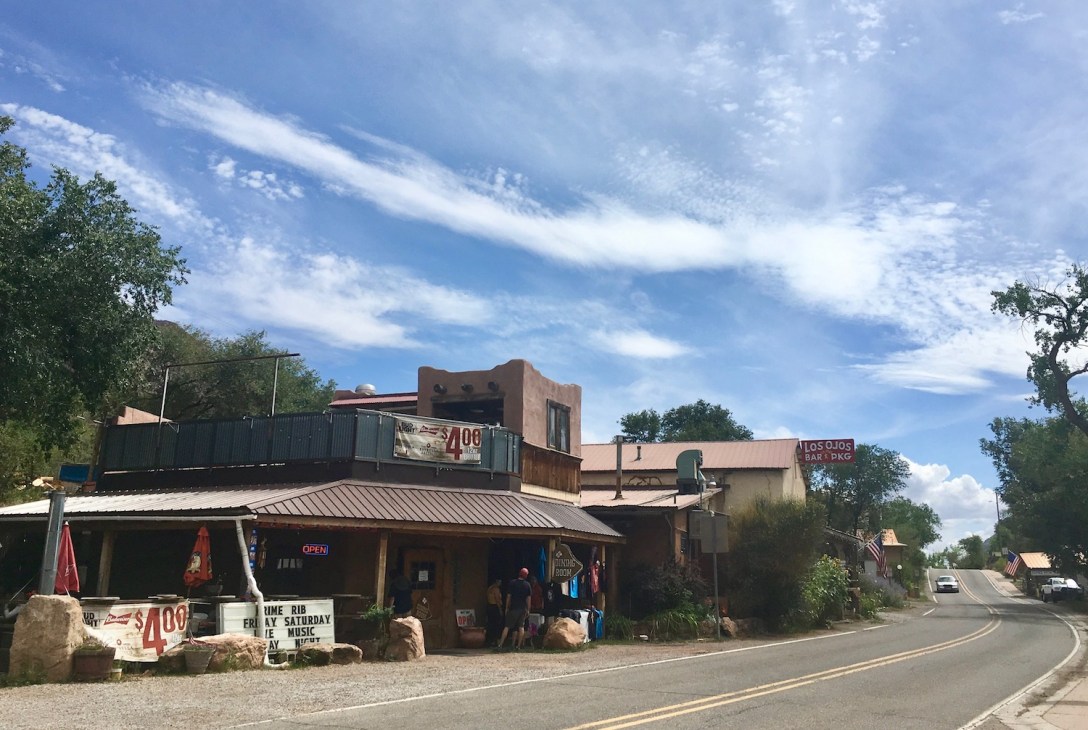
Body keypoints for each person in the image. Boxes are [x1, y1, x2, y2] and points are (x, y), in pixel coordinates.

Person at [495, 567, 531, 651]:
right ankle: (518, 646)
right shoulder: (527, 585)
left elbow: (509, 596)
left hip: (513, 608)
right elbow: (528, 599)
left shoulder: (512, 583)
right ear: (526, 575)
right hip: (522, 609)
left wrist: (507, 607)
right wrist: (528, 609)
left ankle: (500, 645)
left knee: (507, 626)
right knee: (521, 627)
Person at [485, 577, 504, 646]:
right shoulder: (496, 589)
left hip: (489, 606)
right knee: (496, 624)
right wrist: (500, 609)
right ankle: (495, 640)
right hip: (494, 607)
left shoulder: (489, 588)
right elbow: (497, 599)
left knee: (490, 624)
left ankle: (490, 640)